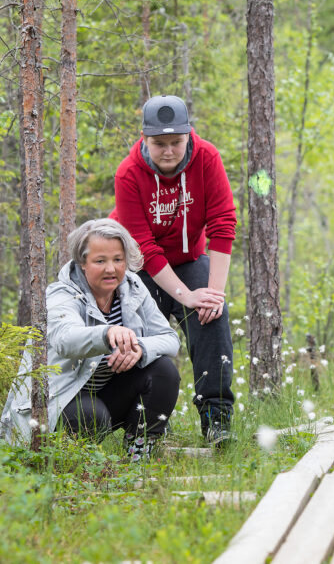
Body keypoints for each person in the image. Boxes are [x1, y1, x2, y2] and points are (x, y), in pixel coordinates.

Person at [111, 94, 237, 446]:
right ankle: (148, 421)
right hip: (141, 264)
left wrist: (212, 294)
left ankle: (217, 417)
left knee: (212, 317)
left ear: (189, 136)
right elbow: (143, 246)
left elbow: (223, 224)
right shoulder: (128, 173)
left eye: (176, 143)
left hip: (189, 259)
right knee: (136, 330)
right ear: (144, 138)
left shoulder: (208, 158)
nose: (168, 151)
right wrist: (185, 295)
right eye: (159, 143)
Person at [0, 219, 180, 461]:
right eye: (100, 261)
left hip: (106, 394)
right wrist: (106, 334)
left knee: (163, 370)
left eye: (118, 259)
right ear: (82, 263)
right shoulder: (61, 294)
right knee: (93, 415)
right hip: (60, 401)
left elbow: (169, 339)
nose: (111, 269)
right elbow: (65, 339)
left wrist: (140, 348)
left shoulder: (133, 287)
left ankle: (139, 450)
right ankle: (68, 460)